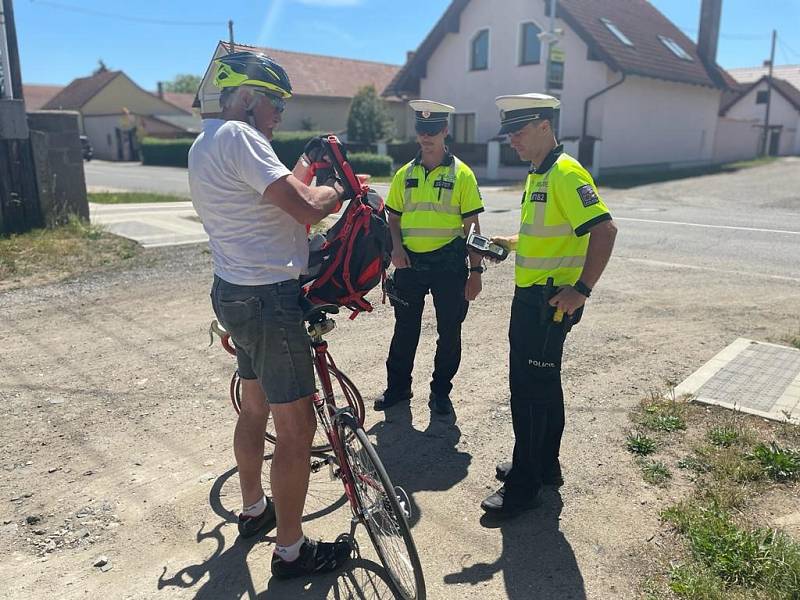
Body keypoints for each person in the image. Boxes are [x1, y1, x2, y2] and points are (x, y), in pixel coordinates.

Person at [188, 51, 352, 578]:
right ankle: (291, 551)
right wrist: (341, 189)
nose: (279, 113)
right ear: (248, 99)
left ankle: (255, 509)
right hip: (268, 299)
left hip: (233, 291)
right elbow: (307, 206)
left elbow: (268, 199)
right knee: (297, 427)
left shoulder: (204, 141)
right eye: (275, 103)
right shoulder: (240, 137)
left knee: (254, 407)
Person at [481, 94, 617, 517]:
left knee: (528, 393)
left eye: (518, 133)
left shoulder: (564, 172)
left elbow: (605, 230)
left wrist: (582, 290)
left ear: (544, 126)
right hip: (534, 298)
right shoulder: (539, 173)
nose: (513, 143)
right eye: (509, 136)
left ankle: (524, 485)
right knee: (543, 387)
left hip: (550, 302)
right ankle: (544, 465)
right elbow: (554, 232)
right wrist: (511, 242)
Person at [377, 100, 485, 416]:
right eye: (422, 130)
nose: (427, 137)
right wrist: (395, 249)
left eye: (433, 130)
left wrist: (476, 271)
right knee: (404, 330)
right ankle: (398, 389)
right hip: (409, 264)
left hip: (449, 266)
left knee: (449, 331)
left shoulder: (462, 175)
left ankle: (441, 392)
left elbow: (473, 227)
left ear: (445, 131)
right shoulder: (404, 174)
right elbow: (392, 218)